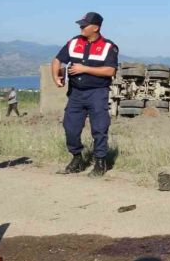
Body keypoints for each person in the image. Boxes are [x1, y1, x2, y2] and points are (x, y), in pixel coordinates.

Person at [51, 12, 119, 177]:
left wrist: (84, 69)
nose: (81, 27)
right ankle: (77, 158)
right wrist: (56, 76)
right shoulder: (73, 42)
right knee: (70, 127)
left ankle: (100, 162)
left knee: (99, 128)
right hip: (75, 94)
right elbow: (57, 60)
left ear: (95, 27)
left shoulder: (109, 47)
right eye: (80, 24)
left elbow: (110, 70)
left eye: (84, 25)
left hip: (97, 93)